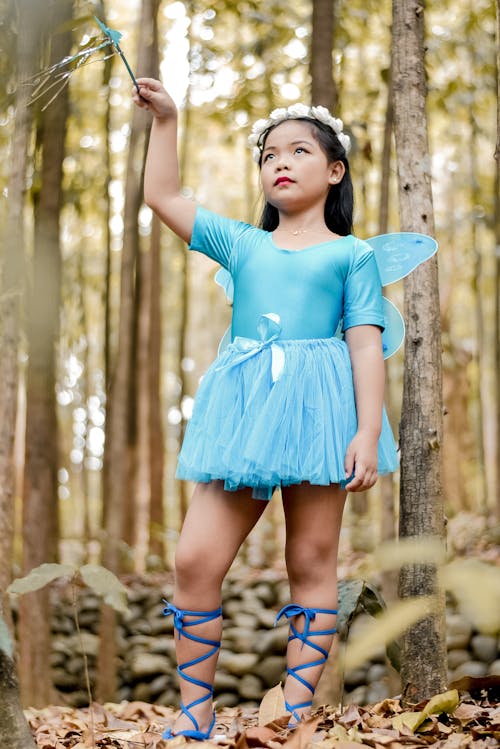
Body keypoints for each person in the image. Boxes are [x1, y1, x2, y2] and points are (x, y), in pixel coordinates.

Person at [132, 79, 399, 741]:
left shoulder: (351, 253)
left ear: (334, 170)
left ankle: (292, 710)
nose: (279, 161)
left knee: (310, 560)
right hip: (246, 412)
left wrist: (366, 430)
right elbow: (162, 195)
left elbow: (366, 345)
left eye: (299, 150)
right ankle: (194, 712)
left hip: (320, 412)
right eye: (269, 154)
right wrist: (167, 119)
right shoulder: (242, 243)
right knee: (195, 558)